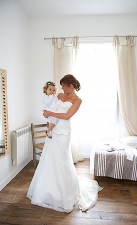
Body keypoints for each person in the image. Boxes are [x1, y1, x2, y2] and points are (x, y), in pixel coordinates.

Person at [27, 74, 102, 213]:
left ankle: (63, 191)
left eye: (63, 85)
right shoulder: (59, 96)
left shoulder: (77, 100)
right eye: (60, 85)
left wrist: (50, 113)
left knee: (61, 160)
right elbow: (50, 105)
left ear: (71, 85)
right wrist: (45, 111)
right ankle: (47, 189)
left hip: (64, 133)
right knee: (49, 158)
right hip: (53, 131)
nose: (60, 88)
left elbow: (67, 116)